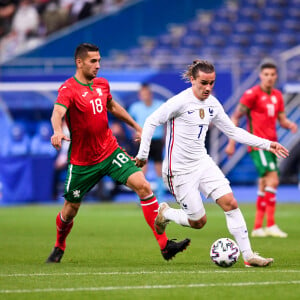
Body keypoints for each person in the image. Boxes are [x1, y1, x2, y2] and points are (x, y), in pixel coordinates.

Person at [135, 59, 290, 267]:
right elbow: (151, 120)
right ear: (192, 80)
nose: (208, 88)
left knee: (230, 203)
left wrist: (268, 144)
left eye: (212, 83)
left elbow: (233, 131)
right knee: (198, 222)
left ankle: (249, 255)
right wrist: (143, 154)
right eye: (203, 83)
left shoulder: (212, 104)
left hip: (202, 162)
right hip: (178, 170)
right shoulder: (179, 102)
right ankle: (167, 213)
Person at [46, 43, 190, 263]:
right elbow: (58, 112)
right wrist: (57, 130)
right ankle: (59, 245)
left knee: (143, 185)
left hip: (109, 151)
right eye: (93, 61)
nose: (98, 65)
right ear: (79, 62)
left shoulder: (102, 84)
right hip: (82, 161)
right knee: (70, 210)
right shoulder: (68, 89)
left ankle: (165, 246)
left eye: (99, 60)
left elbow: (112, 107)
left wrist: (136, 126)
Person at [225, 61, 298, 238]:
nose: (269, 78)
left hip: (273, 144)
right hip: (259, 145)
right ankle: (271, 224)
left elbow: (281, 119)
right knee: (273, 179)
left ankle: (258, 227)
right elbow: (235, 117)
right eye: (266, 74)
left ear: (276, 76)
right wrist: (231, 143)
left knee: (264, 183)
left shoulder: (278, 96)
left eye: (272, 75)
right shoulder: (252, 95)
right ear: (260, 76)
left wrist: (289, 124)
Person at [128, 83, 165, 201]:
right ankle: (141, 196)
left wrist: (165, 135)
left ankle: (160, 197)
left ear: (151, 94)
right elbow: (129, 121)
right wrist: (135, 132)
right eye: (143, 94)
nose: (145, 96)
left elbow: (166, 122)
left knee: (159, 169)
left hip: (157, 140)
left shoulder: (160, 105)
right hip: (143, 141)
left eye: (147, 93)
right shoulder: (135, 107)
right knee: (142, 168)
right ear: (140, 95)